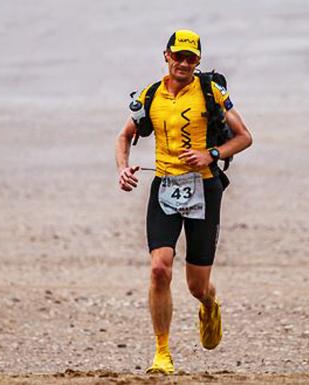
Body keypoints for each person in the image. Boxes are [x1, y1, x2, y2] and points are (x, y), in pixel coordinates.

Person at [114, 29, 252, 374]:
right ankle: (162, 353)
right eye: (179, 56)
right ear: (167, 56)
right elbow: (125, 136)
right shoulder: (150, 95)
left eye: (191, 58)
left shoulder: (210, 94)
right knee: (160, 269)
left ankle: (209, 304)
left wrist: (212, 154)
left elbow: (245, 137)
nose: (184, 63)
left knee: (196, 285)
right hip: (164, 188)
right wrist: (122, 169)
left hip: (204, 189)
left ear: (198, 61)